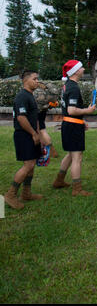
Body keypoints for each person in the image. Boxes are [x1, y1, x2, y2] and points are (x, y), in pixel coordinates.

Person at [52, 60, 96, 196]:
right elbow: (71, 110)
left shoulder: (67, 85)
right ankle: (77, 189)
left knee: (71, 154)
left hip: (69, 124)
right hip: (72, 126)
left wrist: (81, 121)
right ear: (76, 71)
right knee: (77, 157)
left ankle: (59, 181)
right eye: (81, 67)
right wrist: (87, 111)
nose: (83, 69)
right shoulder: (74, 88)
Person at [4, 70, 42, 210]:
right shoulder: (22, 96)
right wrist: (33, 134)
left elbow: (34, 118)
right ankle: (10, 195)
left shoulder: (30, 96)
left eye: (38, 79)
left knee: (31, 164)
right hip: (23, 135)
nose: (37, 81)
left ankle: (26, 193)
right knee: (28, 165)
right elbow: (21, 118)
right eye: (35, 79)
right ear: (26, 80)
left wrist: (38, 135)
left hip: (32, 135)